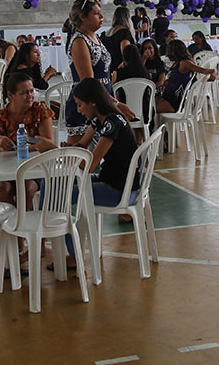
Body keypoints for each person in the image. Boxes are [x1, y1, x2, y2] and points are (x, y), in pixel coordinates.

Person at [37, 77, 141, 263]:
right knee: (50, 182)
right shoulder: (98, 120)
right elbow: (81, 145)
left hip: (119, 190)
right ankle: (43, 235)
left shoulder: (112, 123)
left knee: (61, 196)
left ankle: (72, 255)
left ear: (93, 102)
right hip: (109, 179)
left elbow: (89, 165)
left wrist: (54, 150)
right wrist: (66, 149)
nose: (79, 110)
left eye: (80, 105)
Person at [0, 73, 54, 260]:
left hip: (36, 169)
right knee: (3, 189)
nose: (30, 96)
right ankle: (16, 243)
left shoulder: (40, 111)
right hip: (8, 171)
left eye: (32, 91)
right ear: (11, 95)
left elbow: (49, 143)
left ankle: (36, 242)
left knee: (27, 187)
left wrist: (27, 145)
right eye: (24, 92)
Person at [65, 0, 135, 146]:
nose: (102, 16)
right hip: (85, 104)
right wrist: (115, 104)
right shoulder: (79, 41)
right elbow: (89, 84)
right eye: (96, 13)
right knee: (76, 156)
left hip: (103, 101)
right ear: (83, 17)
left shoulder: (94, 37)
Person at [156, 40, 216, 113]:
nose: (167, 54)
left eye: (168, 51)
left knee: (147, 109)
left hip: (173, 102)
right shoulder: (176, 63)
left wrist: (206, 78)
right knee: (146, 105)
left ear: (174, 51)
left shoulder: (184, 63)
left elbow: (207, 71)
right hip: (168, 98)